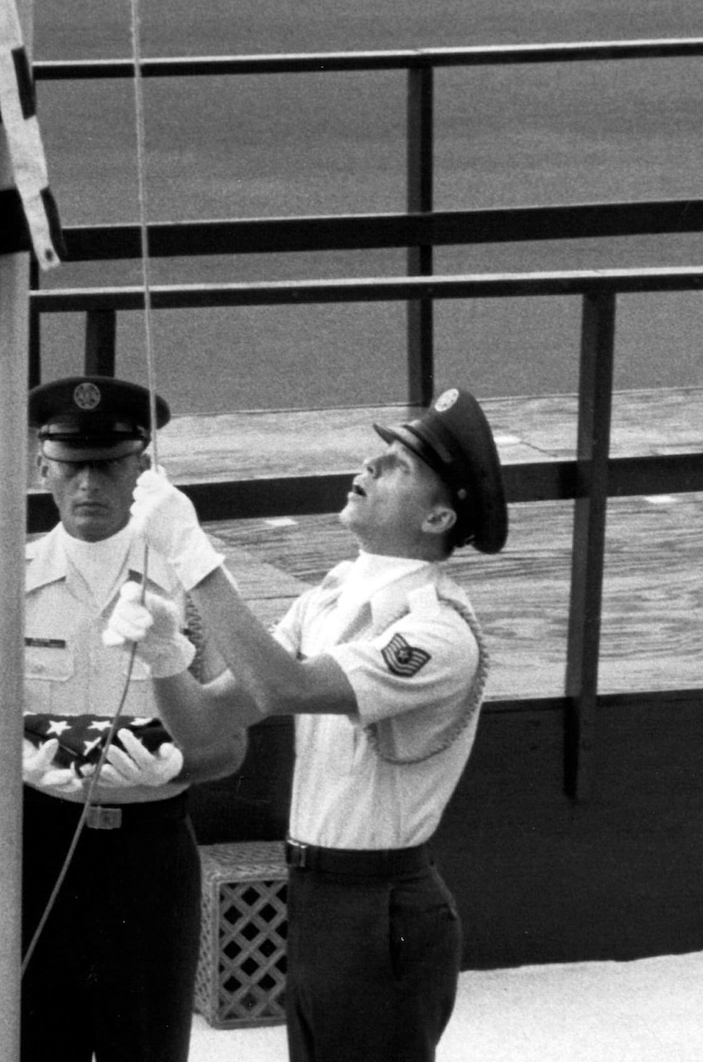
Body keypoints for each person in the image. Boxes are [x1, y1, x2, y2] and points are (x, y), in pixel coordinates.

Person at [111, 388, 509, 1062]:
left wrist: (191, 550)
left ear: (439, 515)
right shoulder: (331, 592)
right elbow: (208, 721)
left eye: (399, 467)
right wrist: (165, 655)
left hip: (383, 906)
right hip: (317, 895)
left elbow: (284, 686)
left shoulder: (437, 632)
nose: (370, 466)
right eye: (378, 454)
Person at [0, 375, 247, 1062]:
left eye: (109, 465)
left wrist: (180, 761)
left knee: (148, 1047)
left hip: (148, 855)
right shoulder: (1, 585)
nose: (88, 485)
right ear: (43, 468)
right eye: (71, 467)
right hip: (38, 852)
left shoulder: (190, 584)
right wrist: (11, 761)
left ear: (142, 469)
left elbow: (231, 746)